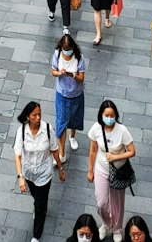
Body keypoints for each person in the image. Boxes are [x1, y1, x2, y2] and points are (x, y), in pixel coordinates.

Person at [13, 100, 64, 242]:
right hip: (28, 172)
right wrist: (20, 177)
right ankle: (39, 204)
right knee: (36, 196)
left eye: (39, 114)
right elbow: (17, 155)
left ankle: (36, 235)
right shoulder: (22, 131)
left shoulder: (47, 129)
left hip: (44, 172)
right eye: (34, 115)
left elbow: (54, 150)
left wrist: (60, 168)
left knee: (40, 206)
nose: (38, 118)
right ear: (28, 116)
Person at [87, 99, 135, 241]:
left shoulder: (122, 131)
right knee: (101, 203)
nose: (109, 118)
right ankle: (107, 223)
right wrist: (90, 170)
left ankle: (117, 228)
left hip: (118, 171)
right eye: (106, 115)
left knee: (117, 203)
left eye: (112, 115)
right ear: (101, 115)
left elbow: (132, 151)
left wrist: (116, 157)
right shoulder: (96, 128)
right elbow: (93, 150)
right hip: (101, 169)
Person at [51, 33, 86, 164]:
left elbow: (82, 78)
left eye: (69, 50)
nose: (67, 53)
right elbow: (53, 71)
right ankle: (62, 154)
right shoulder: (57, 55)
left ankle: (72, 136)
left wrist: (72, 75)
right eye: (65, 50)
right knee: (61, 122)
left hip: (76, 94)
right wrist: (59, 73)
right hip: (61, 94)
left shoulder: (78, 57)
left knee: (74, 119)